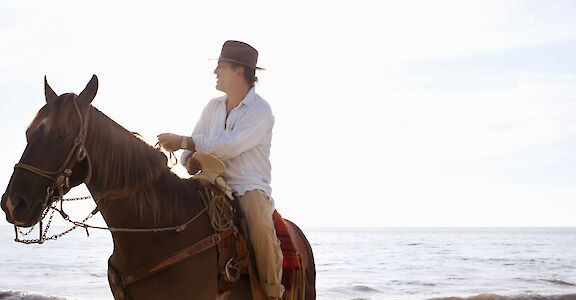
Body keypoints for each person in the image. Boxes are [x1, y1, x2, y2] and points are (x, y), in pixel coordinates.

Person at [157, 40, 284, 299]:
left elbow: (229, 146)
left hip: (248, 186)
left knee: (259, 224)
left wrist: (183, 141)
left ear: (239, 71)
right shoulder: (212, 107)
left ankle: (273, 293)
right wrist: (190, 158)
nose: (215, 72)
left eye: (220, 66)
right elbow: (187, 152)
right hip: (210, 182)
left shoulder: (261, 111)